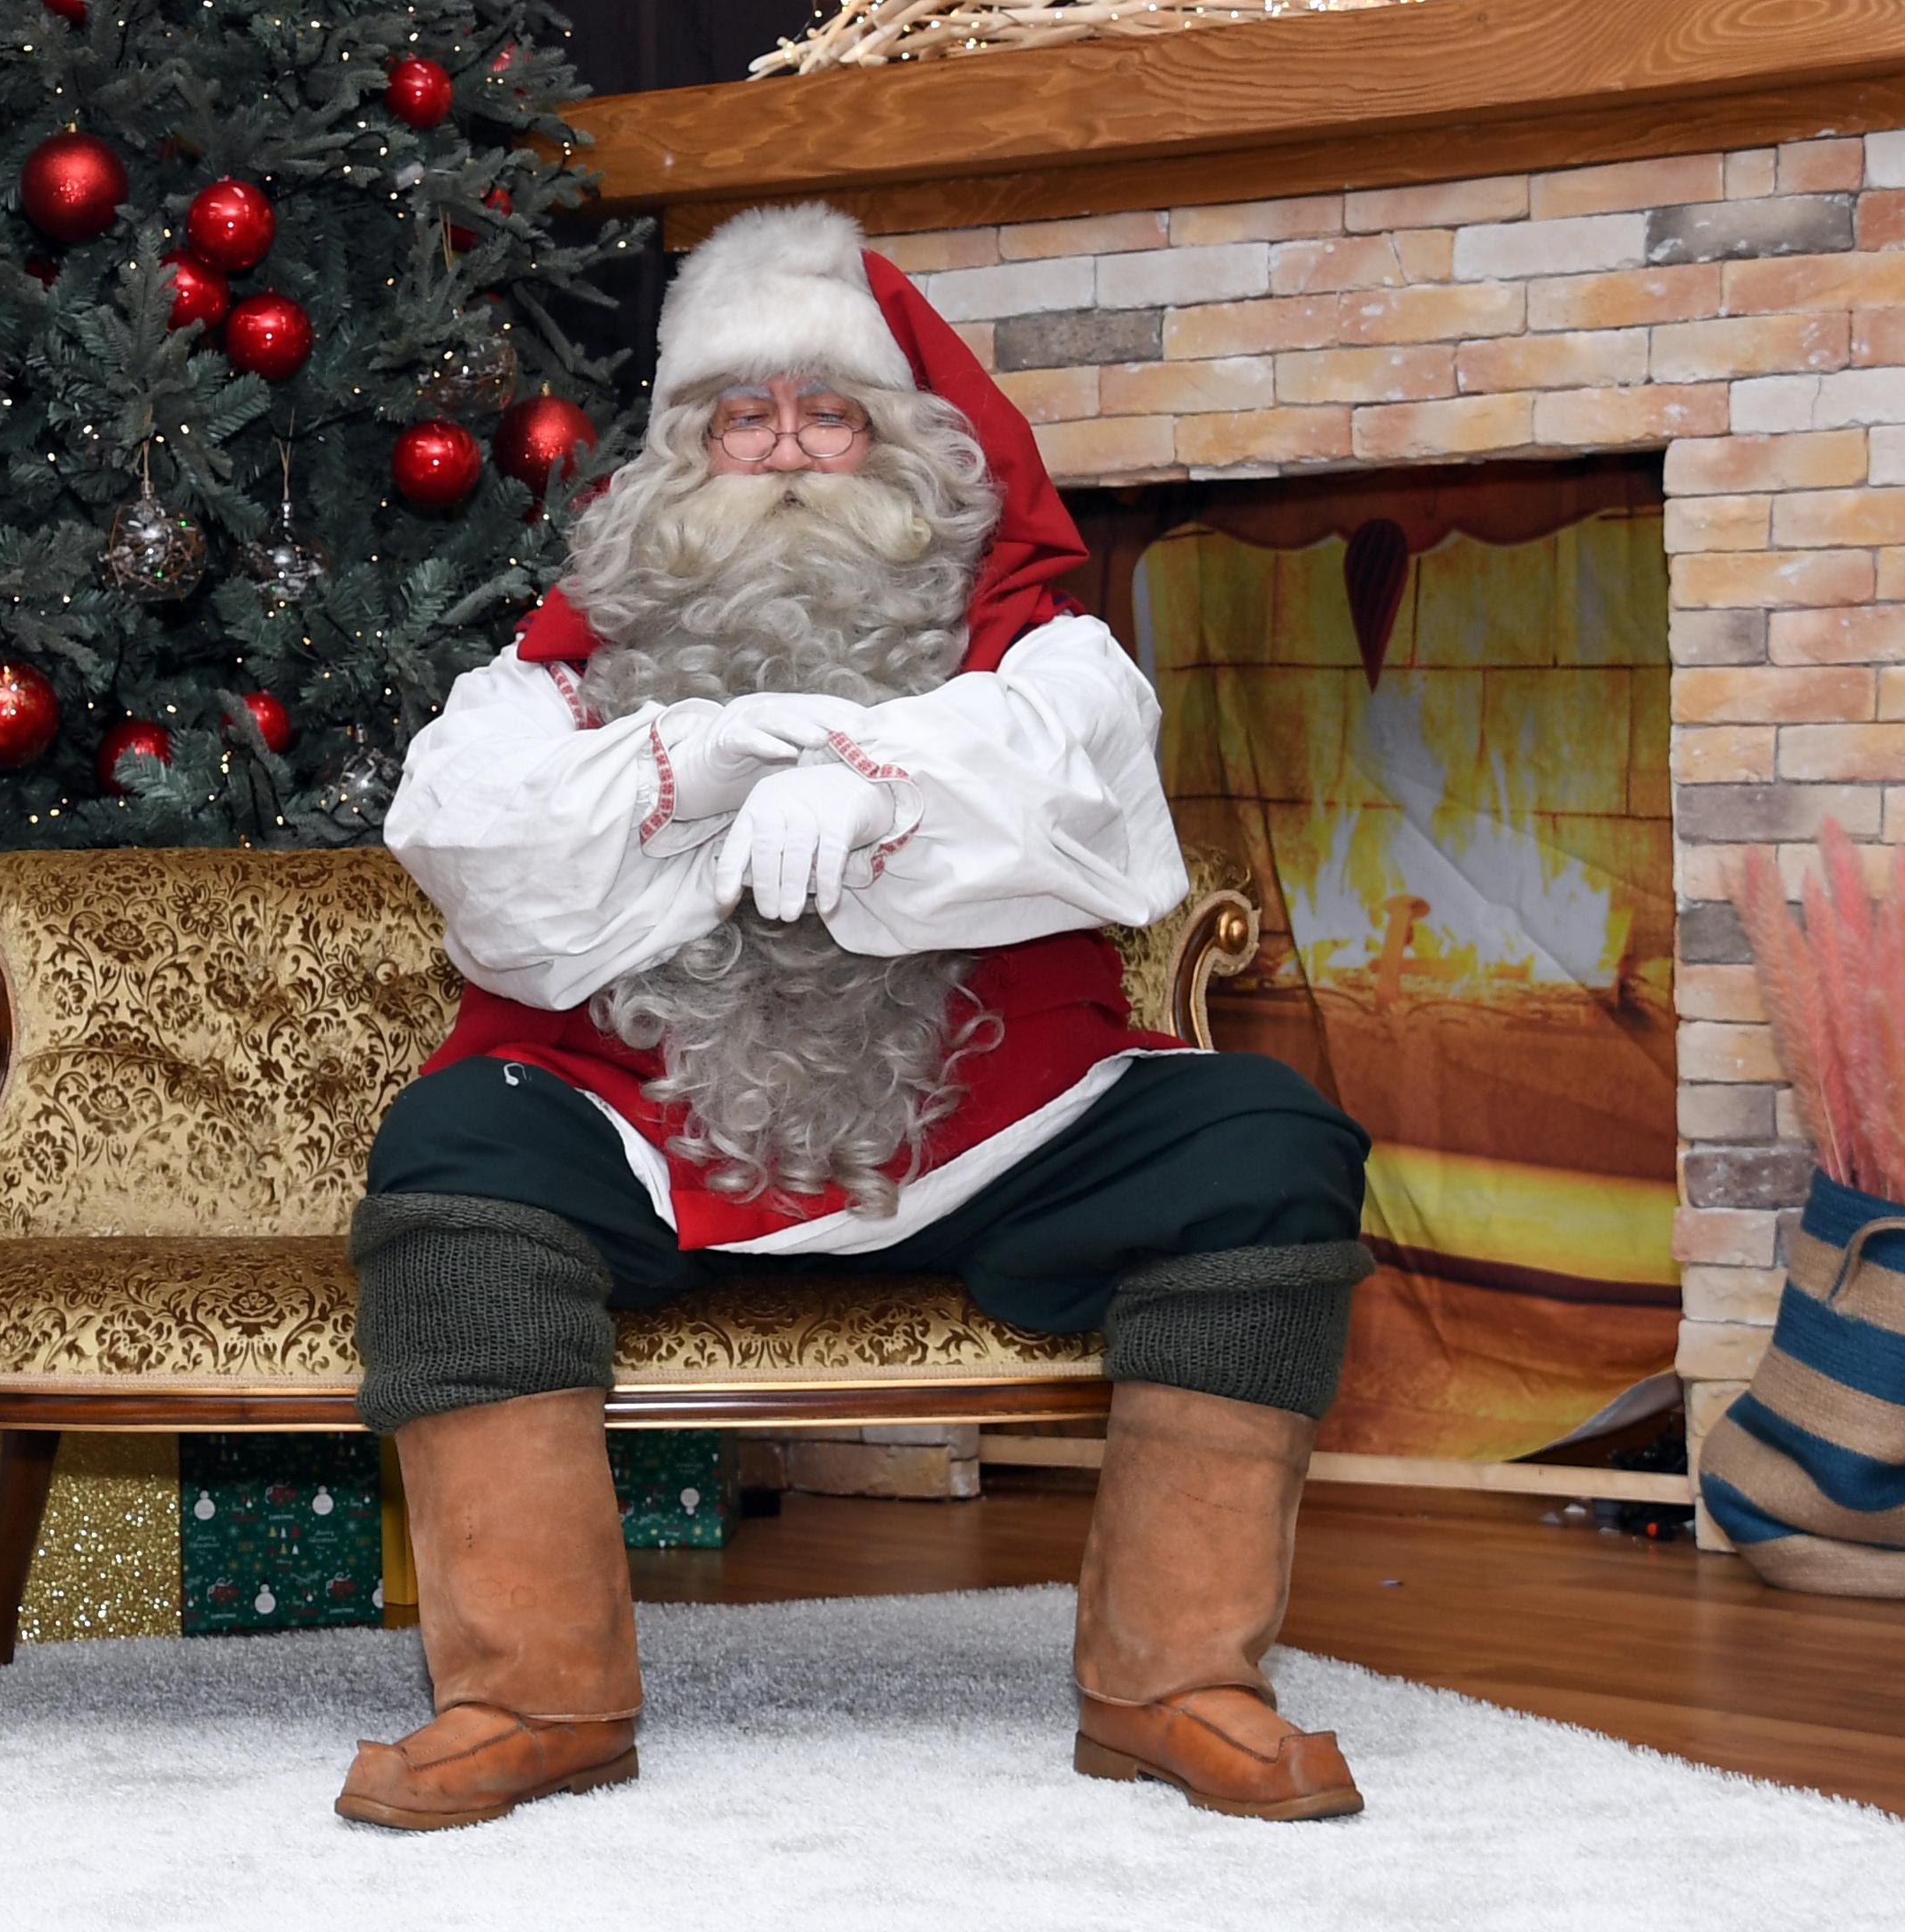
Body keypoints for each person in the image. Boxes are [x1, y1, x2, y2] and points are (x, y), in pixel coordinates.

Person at [339, 205, 1374, 1832]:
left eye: (834, 413)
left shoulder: (1044, 654)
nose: (791, 455)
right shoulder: (550, 680)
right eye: (743, 418)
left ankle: (1177, 1680)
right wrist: (704, 764)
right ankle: (532, 1694)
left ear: (913, 452)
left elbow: (1071, 827)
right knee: (459, 1146)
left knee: (1263, 1142)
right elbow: (495, 868)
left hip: (987, 1135)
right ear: (678, 460)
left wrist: (870, 785)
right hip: (648, 1129)